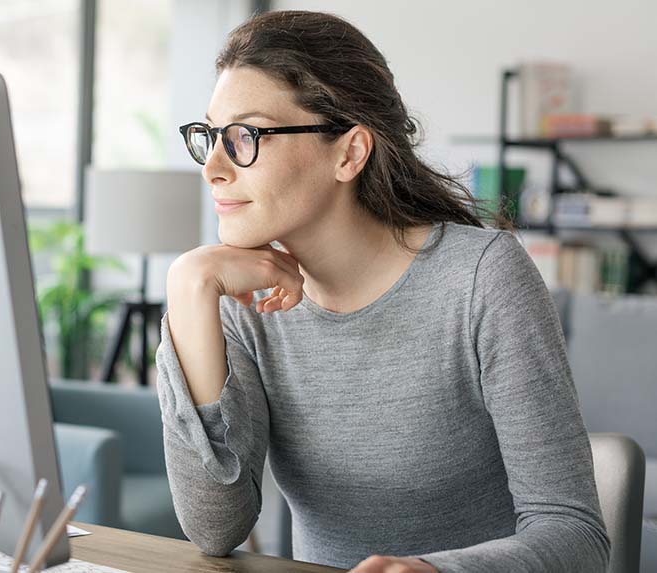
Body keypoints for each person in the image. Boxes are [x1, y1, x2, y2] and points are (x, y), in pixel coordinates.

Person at [154, 10, 610, 573]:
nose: (214, 168)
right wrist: (189, 289)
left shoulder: (482, 279)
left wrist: (434, 571)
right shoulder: (242, 303)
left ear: (349, 152)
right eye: (212, 137)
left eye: (245, 136)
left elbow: (576, 534)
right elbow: (215, 527)